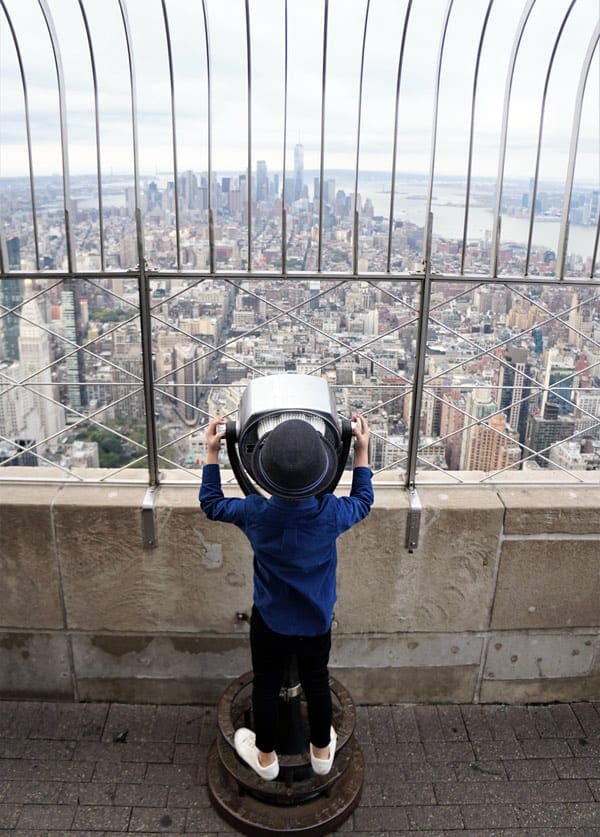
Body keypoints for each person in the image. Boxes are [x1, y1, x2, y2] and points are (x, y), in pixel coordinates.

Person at [200, 412, 373, 781]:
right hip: (316, 621)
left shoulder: (255, 512)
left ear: (263, 468)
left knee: (265, 684)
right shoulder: (331, 514)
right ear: (324, 466)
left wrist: (213, 453)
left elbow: (212, 504)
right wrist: (361, 450)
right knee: (317, 680)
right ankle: (322, 753)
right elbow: (363, 499)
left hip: (270, 620)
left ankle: (265, 758)